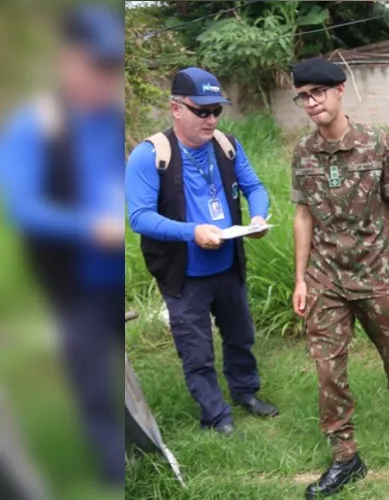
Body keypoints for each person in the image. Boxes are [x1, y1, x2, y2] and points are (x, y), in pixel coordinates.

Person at [287, 56, 389, 498]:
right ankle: (346, 457)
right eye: (303, 96)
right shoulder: (303, 153)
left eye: (317, 93)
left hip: (376, 274)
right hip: (326, 278)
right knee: (328, 368)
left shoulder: (376, 142)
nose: (311, 103)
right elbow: (302, 215)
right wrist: (300, 279)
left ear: (338, 91)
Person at [0, 5, 125, 489]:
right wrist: (91, 227)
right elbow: (25, 207)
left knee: (125, 388)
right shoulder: (36, 126)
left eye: (113, 68)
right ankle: (111, 476)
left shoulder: (111, 121)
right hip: (75, 287)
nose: (105, 79)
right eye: (97, 66)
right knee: (93, 389)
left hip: (119, 277)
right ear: (68, 62)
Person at [125, 66, 278, 435]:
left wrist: (257, 218)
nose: (211, 119)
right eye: (202, 111)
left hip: (227, 265)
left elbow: (255, 186)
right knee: (197, 351)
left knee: (241, 335)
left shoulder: (227, 146)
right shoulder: (150, 156)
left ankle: (246, 392)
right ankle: (215, 415)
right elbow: (140, 217)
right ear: (176, 108)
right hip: (184, 273)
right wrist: (193, 232)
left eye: (217, 111)